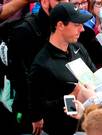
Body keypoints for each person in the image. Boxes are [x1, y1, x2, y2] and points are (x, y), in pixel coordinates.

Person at [29, 3, 95, 135]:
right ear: (60, 25)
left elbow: (94, 77)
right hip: (59, 129)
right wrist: (72, 96)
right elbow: (39, 107)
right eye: (77, 25)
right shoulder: (42, 64)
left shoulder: (78, 48)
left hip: (85, 125)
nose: (82, 29)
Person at [7, 0, 68, 134]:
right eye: (59, 0)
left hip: (61, 113)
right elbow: (21, 80)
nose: (66, 3)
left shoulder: (65, 26)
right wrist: (36, 115)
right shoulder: (25, 31)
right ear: (45, 2)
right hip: (35, 118)